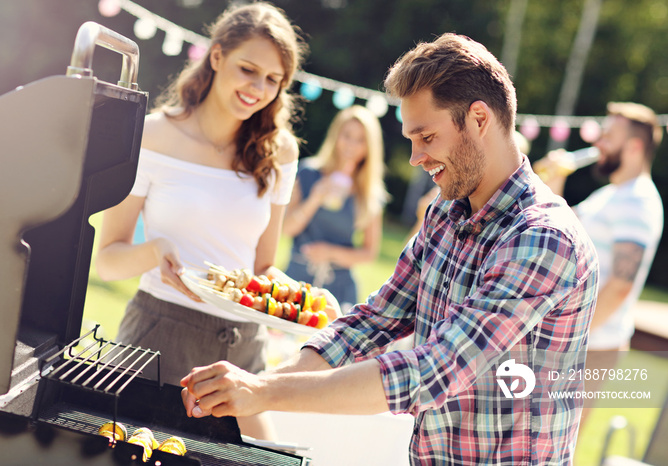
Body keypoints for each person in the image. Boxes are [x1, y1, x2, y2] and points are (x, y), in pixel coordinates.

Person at [179, 33, 599, 465]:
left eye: (427, 137)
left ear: (478, 119)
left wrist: (263, 393)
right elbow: (376, 321)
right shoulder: (446, 213)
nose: (415, 157)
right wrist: (258, 384)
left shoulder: (544, 238)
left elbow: (434, 370)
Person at [95, 2, 307, 440]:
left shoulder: (280, 151)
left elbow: (264, 266)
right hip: (157, 339)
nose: (258, 89)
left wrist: (299, 303)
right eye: (248, 69)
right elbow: (108, 260)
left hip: (241, 350)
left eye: (273, 80)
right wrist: (155, 252)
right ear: (216, 57)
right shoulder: (154, 135)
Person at [533, 102, 664, 428]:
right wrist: (552, 179)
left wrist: (568, 339)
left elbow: (621, 284)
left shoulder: (638, 202)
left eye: (608, 136)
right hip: (577, 342)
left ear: (634, 146)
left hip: (593, 347)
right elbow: (558, 232)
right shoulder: (610, 196)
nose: (599, 143)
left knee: (552, 445)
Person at [282, 105, 388, 310]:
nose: (351, 145)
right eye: (347, 135)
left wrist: (329, 252)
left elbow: (369, 252)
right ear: (336, 135)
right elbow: (287, 229)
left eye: (360, 140)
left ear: (369, 147)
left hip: (340, 288)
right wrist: (315, 197)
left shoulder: (370, 192)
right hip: (297, 279)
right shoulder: (308, 173)